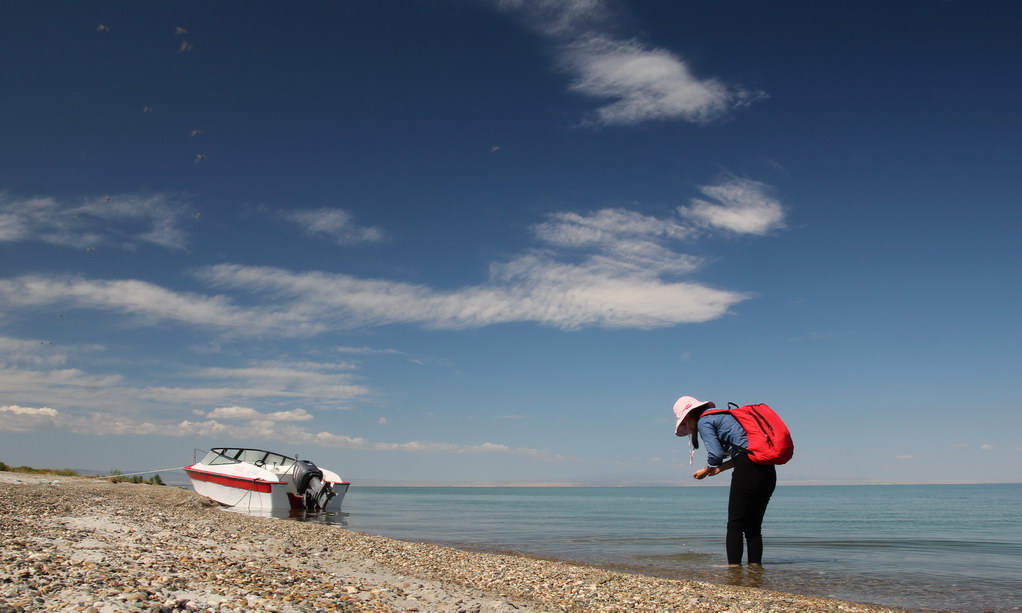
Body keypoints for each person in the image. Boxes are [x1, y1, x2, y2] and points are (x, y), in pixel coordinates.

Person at [673, 395, 777, 567]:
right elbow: (745, 453)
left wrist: (706, 470)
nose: (688, 429)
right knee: (753, 527)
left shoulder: (704, 421)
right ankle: (755, 573)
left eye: (684, 423)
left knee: (735, 524)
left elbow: (715, 455)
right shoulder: (728, 417)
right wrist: (719, 469)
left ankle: (734, 573)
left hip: (747, 469)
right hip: (767, 468)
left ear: (689, 415)